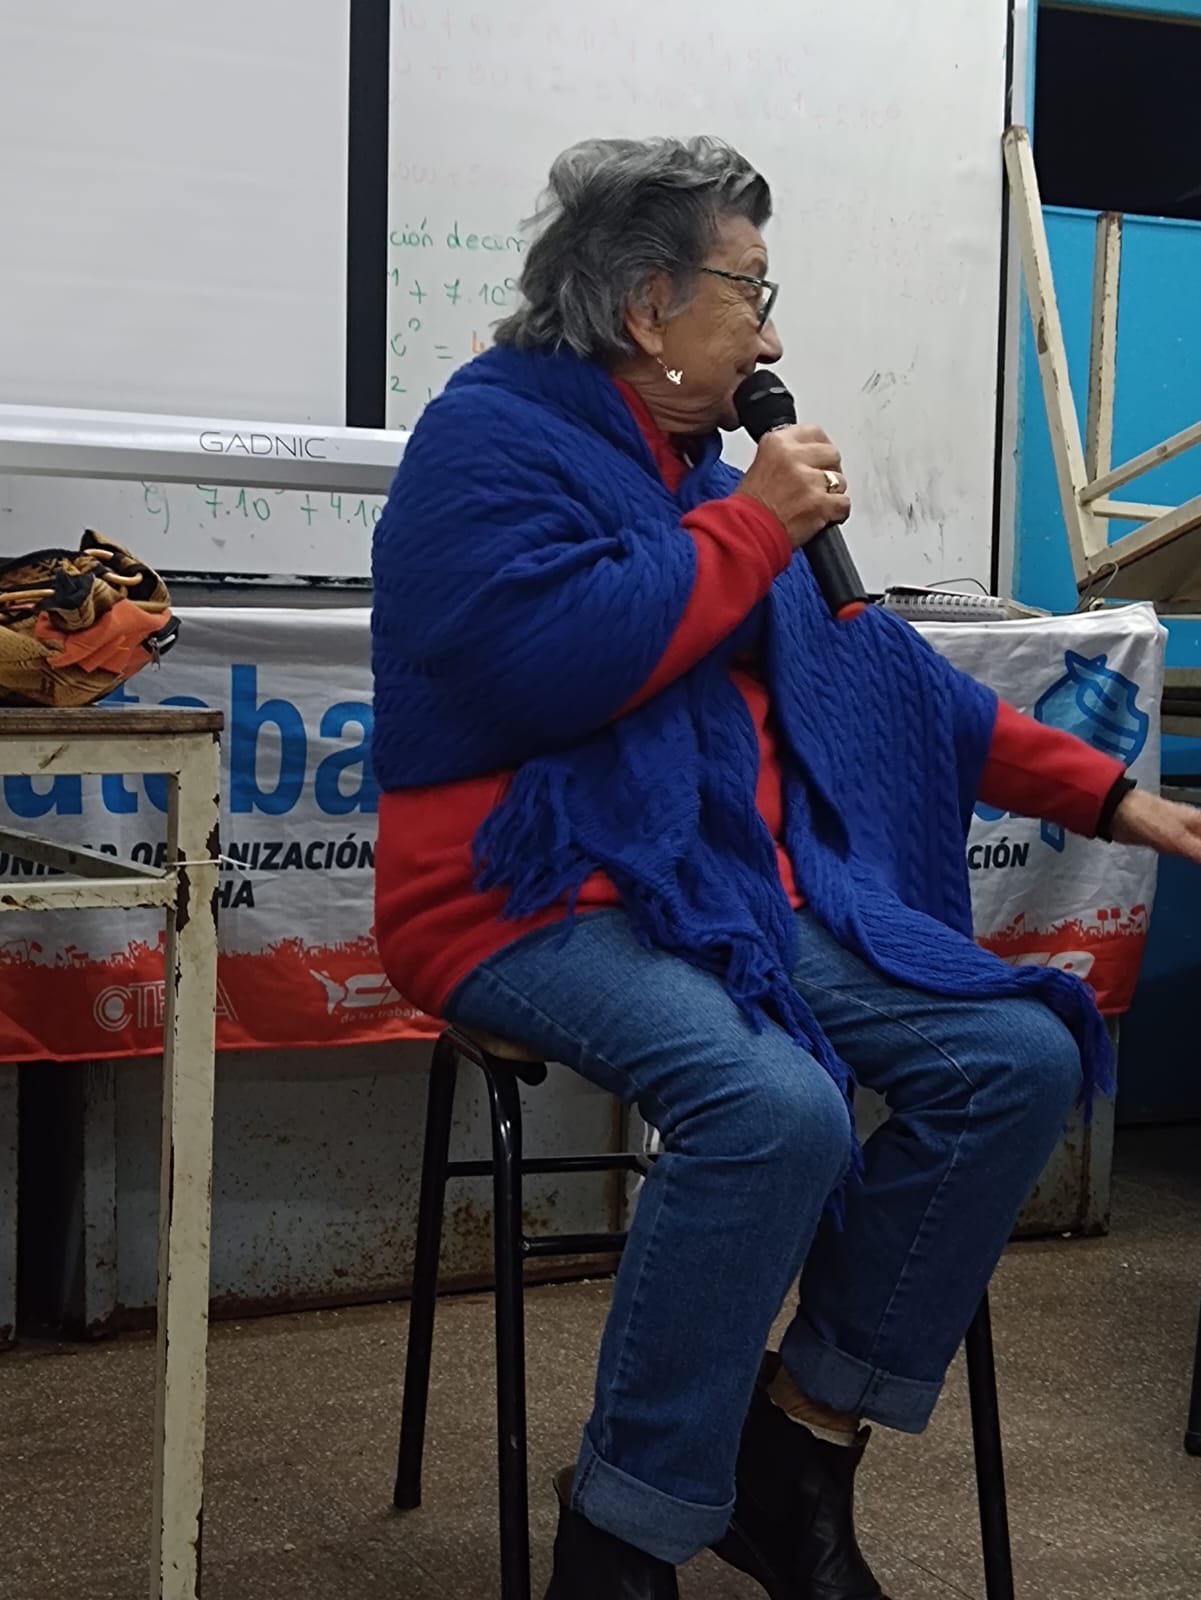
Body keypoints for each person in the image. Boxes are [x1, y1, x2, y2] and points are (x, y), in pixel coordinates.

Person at [371, 137, 1201, 1600]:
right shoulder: (487, 441)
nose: (769, 336)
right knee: (773, 1108)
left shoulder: (697, 475)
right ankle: (623, 1533)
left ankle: (798, 1447)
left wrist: (1119, 800)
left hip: (714, 892)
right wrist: (753, 525)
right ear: (648, 303)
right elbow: (546, 666)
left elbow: (895, 685)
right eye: (750, 292)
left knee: (1013, 1059)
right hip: (521, 896)